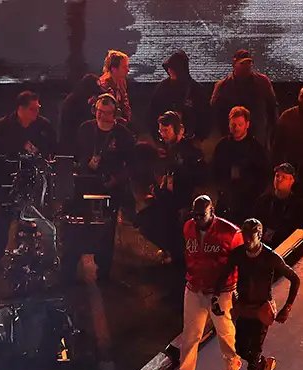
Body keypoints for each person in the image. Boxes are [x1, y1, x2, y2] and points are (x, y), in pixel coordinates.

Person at [217, 218, 300, 370]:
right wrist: (217, 296)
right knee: (239, 347)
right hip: (244, 309)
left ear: (259, 236)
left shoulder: (270, 257)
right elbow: (224, 274)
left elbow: (294, 279)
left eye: (251, 236)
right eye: (245, 235)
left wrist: (287, 307)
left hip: (262, 310)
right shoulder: (238, 254)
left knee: (254, 351)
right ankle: (263, 363)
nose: (247, 240)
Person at [169, 196, 242, 370]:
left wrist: (234, 289)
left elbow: (239, 262)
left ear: (212, 212)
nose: (198, 219)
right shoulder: (188, 227)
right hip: (194, 287)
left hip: (221, 291)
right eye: (195, 215)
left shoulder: (231, 233)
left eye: (202, 215)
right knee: (190, 336)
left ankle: (231, 363)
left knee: (225, 331)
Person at [0, 90, 58, 269]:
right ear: (21, 109)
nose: (36, 112)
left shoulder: (44, 127)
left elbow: (53, 150)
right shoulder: (2, 126)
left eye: (38, 108)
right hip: (7, 180)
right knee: (2, 218)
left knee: (36, 218)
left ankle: (36, 256)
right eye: (33, 109)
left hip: (36, 180)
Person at [74, 94, 134, 279]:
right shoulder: (85, 129)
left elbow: (131, 164)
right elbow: (76, 155)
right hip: (86, 183)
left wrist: (117, 179)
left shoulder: (123, 135)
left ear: (114, 114)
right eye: (99, 111)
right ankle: (75, 262)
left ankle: (104, 269)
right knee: (80, 224)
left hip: (111, 187)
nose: (102, 116)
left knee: (107, 229)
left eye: (107, 113)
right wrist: (86, 163)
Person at [136, 111, 205, 266]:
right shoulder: (171, 149)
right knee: (144, 220)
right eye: (161, 131)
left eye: (166, 131)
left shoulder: (189, 153)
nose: (163, 135)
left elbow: (193, 180)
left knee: (152, 224)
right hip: (169, 199)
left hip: (182, 203)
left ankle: (177, 255)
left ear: (176, 129)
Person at [212, 106, 271, 222]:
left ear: (247, 124)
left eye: (240, 124)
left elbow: (264, 175)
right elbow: (215, 171)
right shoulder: (222, 146)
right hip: (226, 201)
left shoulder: (256, 149)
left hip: (248, 203)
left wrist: (252, 193)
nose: (236, 128)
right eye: (233, 125)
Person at [211, 49, 278, 149]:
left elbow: (272, 107)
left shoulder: (263, 82)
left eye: (249, 62)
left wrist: (272, 133)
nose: (247, 66)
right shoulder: (223, 86)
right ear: (234, 64)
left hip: (258, 138)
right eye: (243, 63)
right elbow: (214, 111)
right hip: (233, 139)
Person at [148, 50, 210, 141]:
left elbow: (205, 117)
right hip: (164, 139)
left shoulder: (196, 90)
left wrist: (199, 139)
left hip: (190, 140)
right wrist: (156, 138)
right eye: (169, 68)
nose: (169, 71)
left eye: (173, 69)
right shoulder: (162, 88)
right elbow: (152, 112)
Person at [257, 164, 303, 244]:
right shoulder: (264, 200)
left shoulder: (297, 206)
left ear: (291, 181)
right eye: (277, 176)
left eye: (284, 177)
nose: (279, 179)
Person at [96, 49, 131, 126]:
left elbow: (125, 105)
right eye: (124, 67)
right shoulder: (103, 86)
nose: (128, 70)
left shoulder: (121, 81)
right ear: (113, 69)